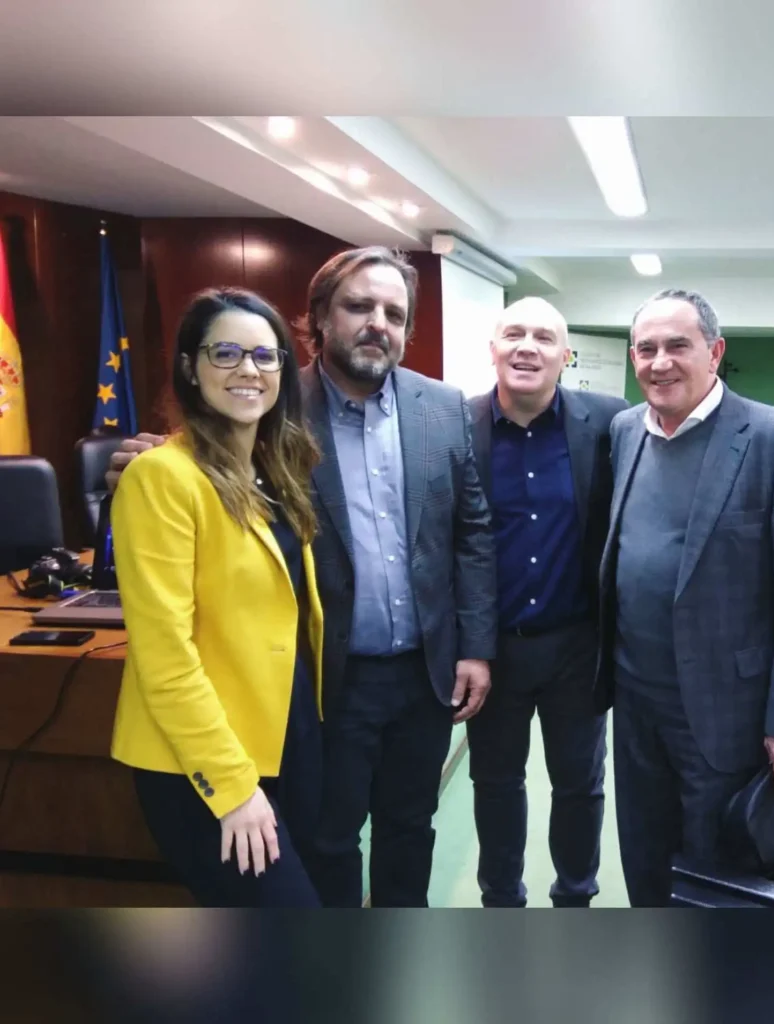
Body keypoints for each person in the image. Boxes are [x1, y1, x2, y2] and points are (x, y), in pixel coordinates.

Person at [106, 246, 498, 908]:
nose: (378, 322)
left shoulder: (437, 407)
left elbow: (472, 531)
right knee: (327, 842)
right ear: (318, 318)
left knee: (411, 827)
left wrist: (475, 645)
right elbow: (194, 480)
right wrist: (149, 461)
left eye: (394, 312)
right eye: (358, 306)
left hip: (423, 674)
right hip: (325, 682)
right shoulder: (278, 415)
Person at [596, 288, 774, 907]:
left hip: (730, 713)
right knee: (642, 851)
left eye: (679, 345)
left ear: (715, 352)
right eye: (646, 349)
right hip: (635, 701)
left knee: (712, 870)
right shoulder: (626, 432)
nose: (660, 362)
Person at [110, 287, 324, 907]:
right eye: (226, 352)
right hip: (205, 764)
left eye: (265, 355)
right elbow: (164, 655)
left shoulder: (275, 470)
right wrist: (232, 788)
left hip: (283, 738)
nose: (248, 370)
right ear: (189, 366)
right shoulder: (161, 477)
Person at [466, 297, 627, 908]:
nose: (527, 346)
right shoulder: (460, 426)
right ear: (494, 350)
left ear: (566, 355)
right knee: (496, 784)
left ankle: (575, 897)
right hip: (492, 652)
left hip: (576, 647)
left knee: (580, 786)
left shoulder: (611, 424)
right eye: (513, 333)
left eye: (543, 337)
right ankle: (501, 900)